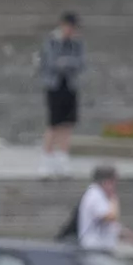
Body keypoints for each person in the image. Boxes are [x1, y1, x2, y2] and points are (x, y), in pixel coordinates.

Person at [38, 12, 84, 179]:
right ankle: (46, 160)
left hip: (70, 86)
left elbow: (80, 63)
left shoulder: (76, 43)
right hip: (55, 86)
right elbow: (51, 62)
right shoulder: (52, 41)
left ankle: (62, 160)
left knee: (67, 124)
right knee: (54, 124)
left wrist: (65, 62)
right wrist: (66, 62)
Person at [76, 164, 133, 252]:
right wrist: (113, 198)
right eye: (114, 181)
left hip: (102, 249)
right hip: (94, 249)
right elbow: (111, 217)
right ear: (108, 181)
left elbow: (112, 227)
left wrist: (132, 238)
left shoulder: (101, 196)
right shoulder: (95, 195)